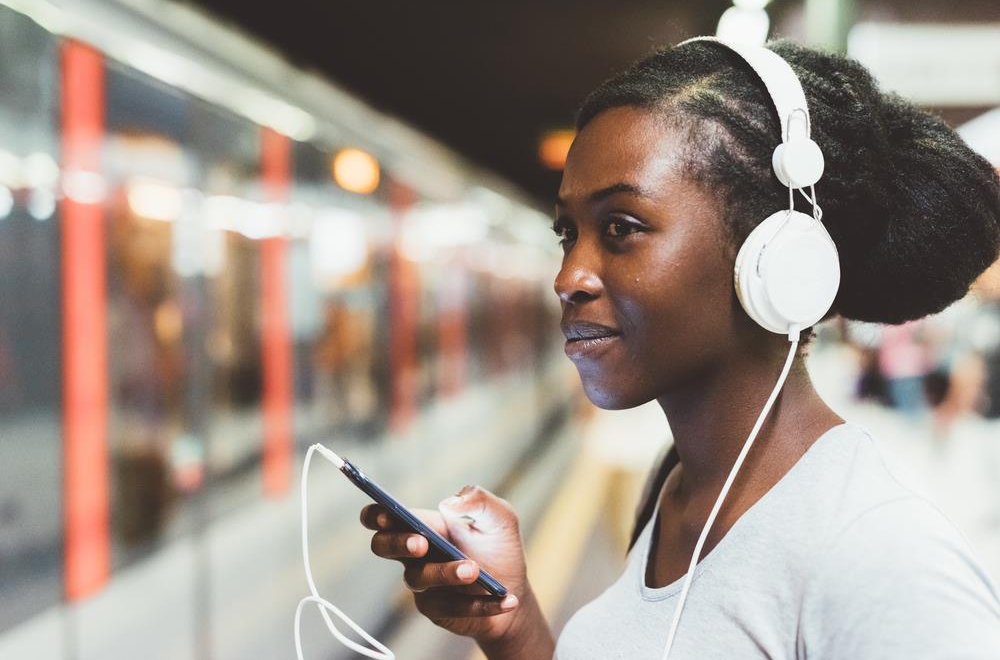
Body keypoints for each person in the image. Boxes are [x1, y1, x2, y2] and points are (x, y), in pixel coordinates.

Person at [358, 37, 1000, 658]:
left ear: (775, 262)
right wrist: (513, 628)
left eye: (621, 228)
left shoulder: (879, 558)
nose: (568, 279)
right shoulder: (678, 486)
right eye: (568, 235)